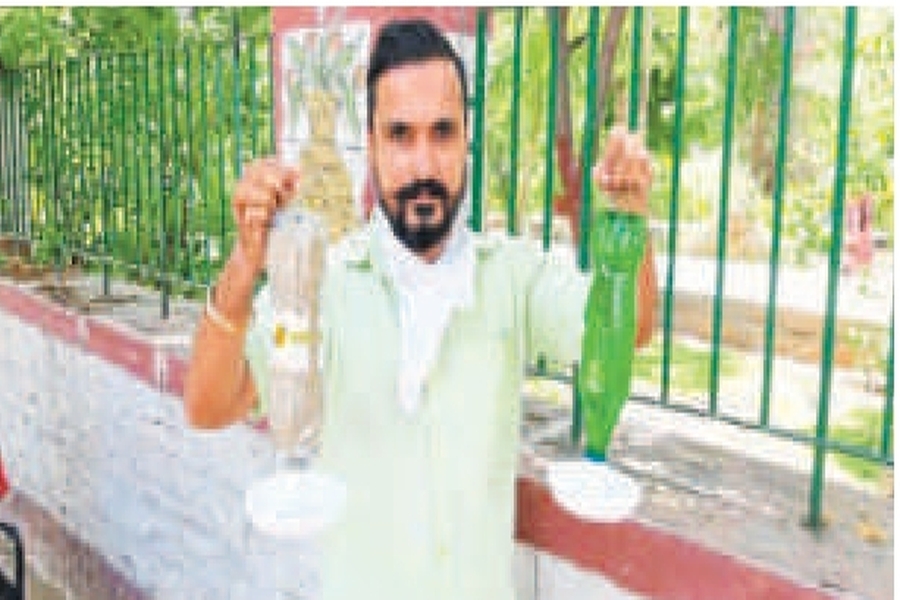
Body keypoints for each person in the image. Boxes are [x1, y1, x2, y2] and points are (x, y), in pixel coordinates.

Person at [184, 18, 656, 600]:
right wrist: (242, 268)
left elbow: (626, 326)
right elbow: (208, 405)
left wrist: (632, 224)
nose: (424, 164)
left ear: (467, 139)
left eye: (442, 132)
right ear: (373, 144)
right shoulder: (321, 286)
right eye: (400, 135)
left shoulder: (512, 274)